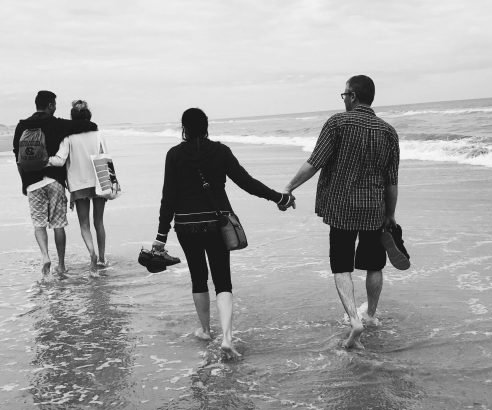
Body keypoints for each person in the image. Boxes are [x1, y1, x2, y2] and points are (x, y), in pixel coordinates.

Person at [152, 108, 295, 358]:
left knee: (198, 277)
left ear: (183, 128)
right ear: (207, 126)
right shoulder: (220, 151)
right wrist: (279, 197)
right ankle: (227, 338)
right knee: (222, 281)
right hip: (217, 224)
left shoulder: (173, 155)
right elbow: (246, 182)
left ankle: (206, 330)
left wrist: (161, 236)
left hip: (186, 226)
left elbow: (169, 197)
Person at [283, 75, 400, 349]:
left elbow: (315, 163)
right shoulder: (388, 132)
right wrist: (390, 215)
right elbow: (392, 181)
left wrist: (289, 187)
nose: (344, 98)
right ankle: (370, 314)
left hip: (342, 208)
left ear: (353, 96)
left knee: (341, 265)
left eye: (344, 94)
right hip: (374, 209)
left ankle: (353, 319)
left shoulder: (337, 123)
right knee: (374, 264)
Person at [13, 91, 97, 276]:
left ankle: (45, 256)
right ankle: (61, 264)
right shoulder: (57, 124)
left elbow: (18, 158)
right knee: (58, 225)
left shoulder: (21, 126)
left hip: (32, 183)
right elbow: (86, 125)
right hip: (55, 181)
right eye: (54, 104)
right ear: (50, 105)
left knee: (39, 224)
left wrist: (23, 183)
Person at [47, 100, 108, 271]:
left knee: (84, 225)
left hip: (78, 185)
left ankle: (92, 253)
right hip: (99, 182)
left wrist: (44, 159)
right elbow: (105, 158)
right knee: (99, 222)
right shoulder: (99, 135)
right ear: (89, 116)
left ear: (72, 118)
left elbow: (59, 161)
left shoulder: (69, 138)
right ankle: (102, 258)